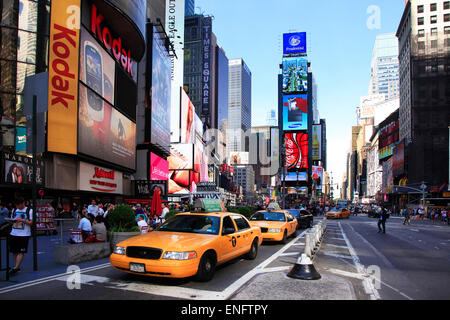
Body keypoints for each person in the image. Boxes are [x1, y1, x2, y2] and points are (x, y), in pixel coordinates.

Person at [9, 197, 33, 275]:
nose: (17, 207)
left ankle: (16, 267)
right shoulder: (14, 210)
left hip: (24, 234)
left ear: (23, 203)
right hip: (14, 232)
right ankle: (16, 266)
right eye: (16, 205)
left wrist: (22, 220)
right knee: (14, 251)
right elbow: (12, 220)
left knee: (21, 251)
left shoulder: (29, 210)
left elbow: (31, 223)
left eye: (18, 205)